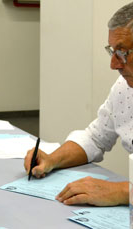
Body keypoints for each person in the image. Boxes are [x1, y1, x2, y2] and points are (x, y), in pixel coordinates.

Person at [24, 2, 133, 207]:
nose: (114, 65)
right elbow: (95, 138)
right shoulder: (124, 87)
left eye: (123, 53)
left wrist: (122, 191)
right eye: (112, 52)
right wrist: (51, 160)